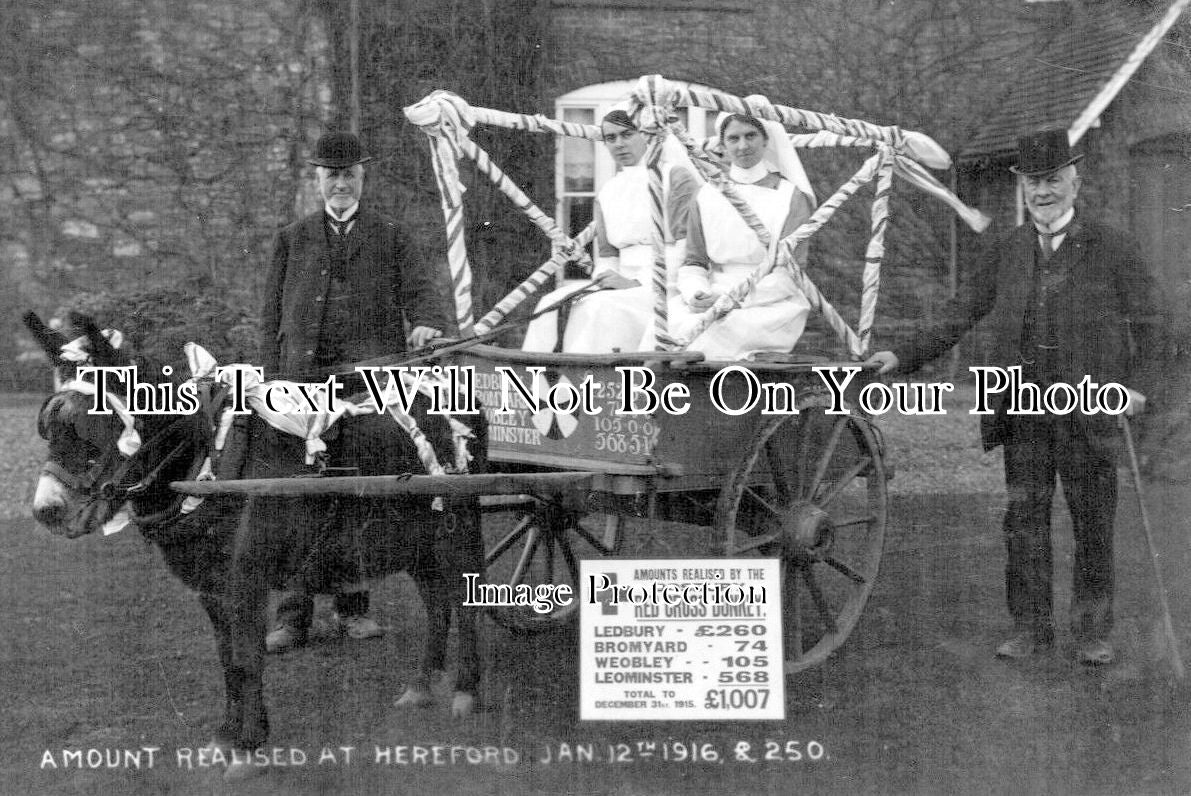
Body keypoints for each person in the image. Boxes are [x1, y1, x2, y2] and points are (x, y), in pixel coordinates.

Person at [865, 129, 1163, 666]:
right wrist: (901, 358)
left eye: (1052, 180)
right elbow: (960, 313)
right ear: (1022, 188)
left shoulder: (1111, 245)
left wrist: (1139, 390)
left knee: (1092, 522)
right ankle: (1029, 628)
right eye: (1032, 183)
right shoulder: (1009, 250)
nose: (1042, 192)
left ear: (1075, 180)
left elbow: (1157, 329)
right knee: (1024, 522)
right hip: (1022, 409)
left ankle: (1093, 632)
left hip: (1091, 410)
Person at [258, 131, 451, 653]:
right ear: (317, 179)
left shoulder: (391, 236)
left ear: (362, 177)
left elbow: (423, 294)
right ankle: (292, 615)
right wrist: (270, 375)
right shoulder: (292, 238)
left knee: (358, 485)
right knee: (295, 491)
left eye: (349, 174)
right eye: (331, 174)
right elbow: (271, 314)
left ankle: (353, 609)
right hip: (300, 381)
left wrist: (427, 325)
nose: (340, 183)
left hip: (366, 383)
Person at [521, 110, 698, 353]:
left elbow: (688, 249)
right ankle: (542, 385)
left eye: (627, 134)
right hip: (621, 283)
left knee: (600, 309)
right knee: (550, 304)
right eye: (610, 138)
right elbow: (607, 257)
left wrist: (635, 282)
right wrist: (606, 280)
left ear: (647, 135)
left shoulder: (676, 178)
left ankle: (593, 384)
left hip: (666, 286)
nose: (619, 144)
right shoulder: (609, 191)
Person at [666, 113, 816, 360]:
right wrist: (697, 293)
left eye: (751, 136)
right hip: (714, 293)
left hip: (771, 300)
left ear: (766, 140)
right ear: (722, 144)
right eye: (733, 138)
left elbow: (791, 273)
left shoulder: (791, 197)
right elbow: (694, 262)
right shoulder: (705, 196)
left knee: (718, 330)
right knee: (667, 323)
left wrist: (731, 299)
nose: (743, 146)